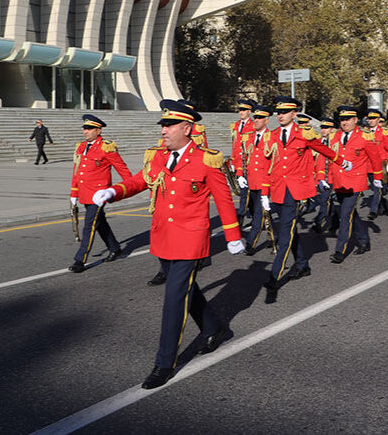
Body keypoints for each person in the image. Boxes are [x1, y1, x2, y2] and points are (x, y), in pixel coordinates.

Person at [92, 99, 245, 389]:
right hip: (162, 237)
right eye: (162, 125)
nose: (163, 130)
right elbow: (140, 181)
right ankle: (213, 327)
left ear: (187, 128)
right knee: (187, 290)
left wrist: (233, 235)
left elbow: (224, 200)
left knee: (174, 300)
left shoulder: (207, 159)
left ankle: (164, 363)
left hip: (190, 239)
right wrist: (113, 190)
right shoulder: (158, 157)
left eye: (169, 125)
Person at [261, 96, 349, 297]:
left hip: (295, 190)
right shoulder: (272, 136)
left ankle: (274, 277)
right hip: (278, 189)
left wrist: (341, 161)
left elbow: (323, 149)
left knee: (285, 233)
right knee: (289, 229)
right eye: (279, 112)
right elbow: (268, 166)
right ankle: (302, 264)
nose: (280, 115)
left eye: (285, 112)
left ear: (294, 114)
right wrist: (264, 193)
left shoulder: (304, 134)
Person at [68, 114, 132, 273]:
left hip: (98, 194)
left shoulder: (106, 147)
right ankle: (114, 247)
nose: (85, 132)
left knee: (89, 225)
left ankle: (80, 260)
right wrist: (74, 193)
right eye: (84, 128)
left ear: (98, 130)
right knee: (100, 222)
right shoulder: (81, 146)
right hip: (84, 192)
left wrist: (130, 186)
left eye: (89, 129)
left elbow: (122, 168)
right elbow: (77, 172)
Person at [328, 106, 383, 262]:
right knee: (351, 214)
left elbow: (375, 158)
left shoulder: (365, 137)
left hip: (355, 182)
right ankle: (364, 240)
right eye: (342, 119)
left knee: (345, 215)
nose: (344, 122)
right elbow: (331, 159)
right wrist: (329, 179)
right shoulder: (335, 137)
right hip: (339, 182)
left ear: (355, 120)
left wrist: (378, 176)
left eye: (347, 119)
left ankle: (340, 251)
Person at [233, 105, 274, 258]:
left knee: (258, 213)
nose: (256, 120)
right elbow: (240, 155)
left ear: (267, 120)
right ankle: (273, 235)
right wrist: (239, 173)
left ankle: (251, 244)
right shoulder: (248, 136)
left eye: (259, 118)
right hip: (250, 180)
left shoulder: (273, 137)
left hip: (265, 182)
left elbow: (272, 164)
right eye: (255, 117)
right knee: (264, 212)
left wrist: (266, 188)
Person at [230, 99, 257, 223]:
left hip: (250, 165)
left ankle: (240, 216)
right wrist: (233, 162)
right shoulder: (235, 125)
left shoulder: (254, 125)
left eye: (244, 110)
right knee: (246, 193)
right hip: (239, 164)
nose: (241, 112)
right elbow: (235, 146)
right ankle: (254, 216)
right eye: (240, 110)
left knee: (246, 194)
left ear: (249, 111)